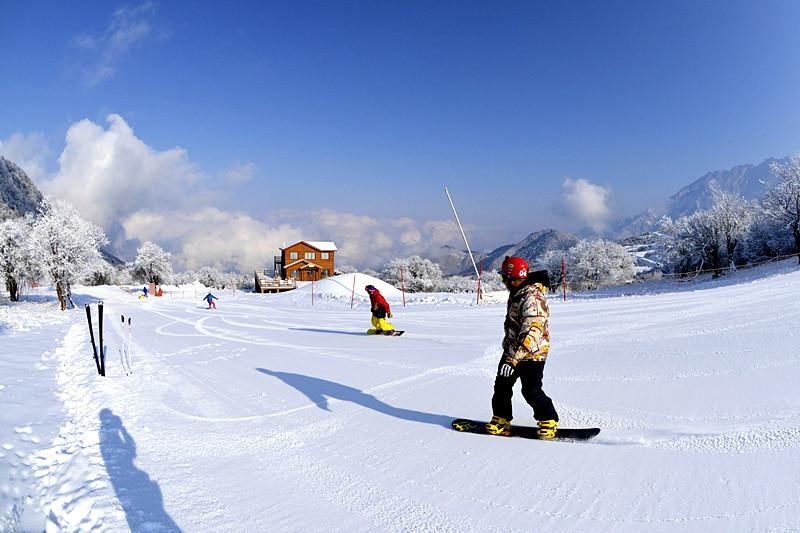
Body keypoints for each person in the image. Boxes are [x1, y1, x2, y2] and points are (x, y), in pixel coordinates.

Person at [485, 256, 559, 439]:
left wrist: (513, 358)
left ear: (513, 278)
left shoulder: (532, 297)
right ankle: (501, 419)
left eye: (504, 278)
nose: (503, 282)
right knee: (501, 386)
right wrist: (510, 353)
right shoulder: (518, 292)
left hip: (533, 353)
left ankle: (548, 420)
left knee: (531, 390)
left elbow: (532, 331)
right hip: (512, 350)